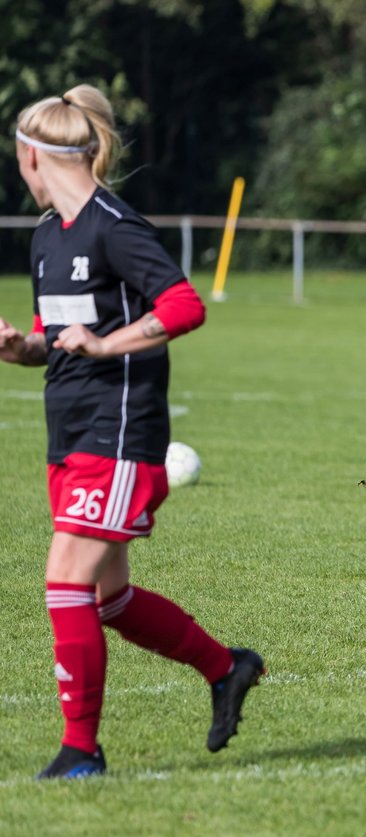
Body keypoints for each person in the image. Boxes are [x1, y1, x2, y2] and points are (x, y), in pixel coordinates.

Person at [0, 85, 265, 780]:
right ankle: (227, 668)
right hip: (71, 434)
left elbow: (184, 304)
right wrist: (23, 348)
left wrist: (106, 345)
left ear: (33, 157)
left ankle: (79, 751)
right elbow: (60, 339)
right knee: (108, 598)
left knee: (65, 582)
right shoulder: (46, 238)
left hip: (118, 435)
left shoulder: (114, 224)